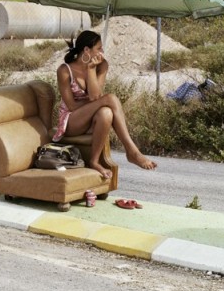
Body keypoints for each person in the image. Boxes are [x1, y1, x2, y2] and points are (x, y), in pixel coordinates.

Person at [54, 29, 157, 179]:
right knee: (110, 99)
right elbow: (73, 106)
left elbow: (95, 95)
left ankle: (95, 161)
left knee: (106, 113)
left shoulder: (102, 65)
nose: (102, 51)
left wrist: (91, 70)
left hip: (90, 118)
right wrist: (90, 71)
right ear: (86, 50)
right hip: (71, 121)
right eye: (99, 48)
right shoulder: (65, 70)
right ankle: (131, 151)